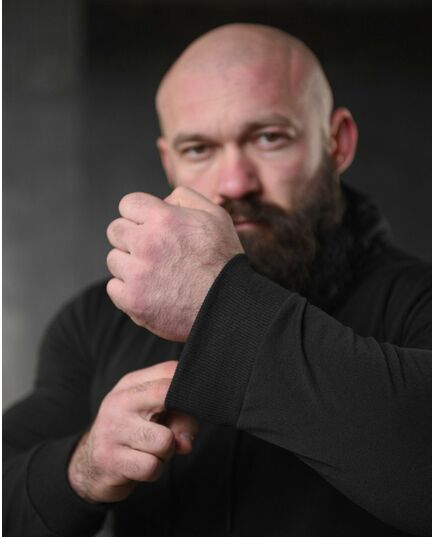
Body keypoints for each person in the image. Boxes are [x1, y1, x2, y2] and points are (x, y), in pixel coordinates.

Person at [3, 23, 430, 537]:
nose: (234, 183)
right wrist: (84, 465)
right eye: (199, 149)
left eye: (269, 138)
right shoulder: (95, 322)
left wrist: (220, 307)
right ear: (169, 161)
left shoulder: (419, 300)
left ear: (337, 143)